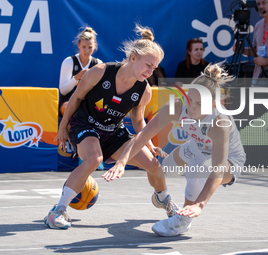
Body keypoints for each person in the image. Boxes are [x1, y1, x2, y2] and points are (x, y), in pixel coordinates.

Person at [44, 24, 179, 229]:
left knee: (154, 165)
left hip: (113, 131)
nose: (151, 71)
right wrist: (63, 126)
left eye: (154, 67)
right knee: (93, 159)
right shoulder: (100, 72)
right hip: (84, 124)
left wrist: (148, 142)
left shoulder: (144, 90)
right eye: (148, 65)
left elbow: (138, 120)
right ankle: (57, 211)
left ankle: (163, 198)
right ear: (133, 57)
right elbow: (76, 97)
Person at [103, 63, 246, 237]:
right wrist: (121, 162)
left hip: (229, 161)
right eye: (190, 99)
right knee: (165, 170)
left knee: (198, 167)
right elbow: (143, 136)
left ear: (213, 104)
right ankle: (161, 196)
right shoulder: (178, 107)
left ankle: (183, 219)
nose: (191, 107)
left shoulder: (219, 123)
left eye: (199, 103)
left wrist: (199, 204)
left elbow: (218, 168)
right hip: (197, 145)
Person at [59, 27, 103, 117]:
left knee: (103, 108)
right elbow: (63, 91)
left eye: (90, 47)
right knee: (70, 108)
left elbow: (100, 91)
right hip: (69, 100)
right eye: (84, 47)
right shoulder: (69, 61)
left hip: (89, 101)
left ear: (94, 46)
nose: (87, 50)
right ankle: (66, 129)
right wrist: (76, 77)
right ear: (78, 45)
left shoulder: (98, 64)